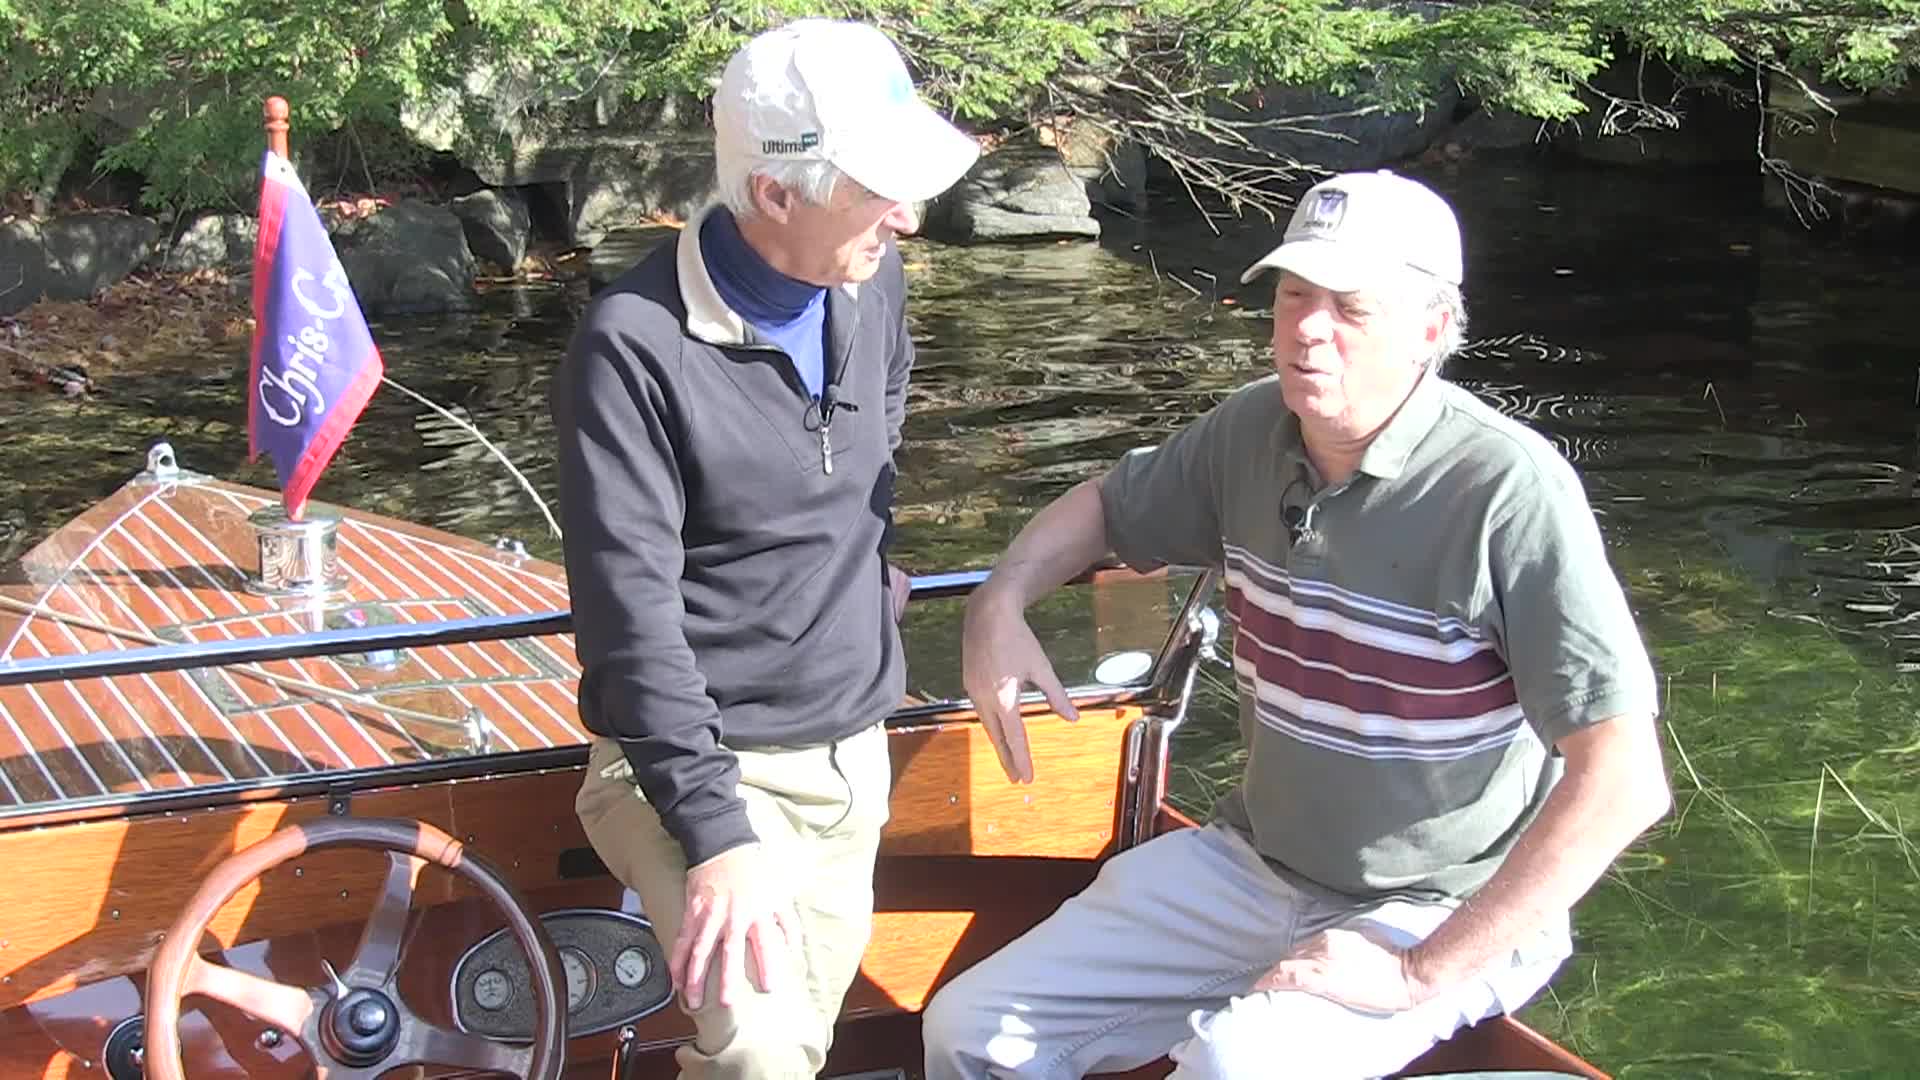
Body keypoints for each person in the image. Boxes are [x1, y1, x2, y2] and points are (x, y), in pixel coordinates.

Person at [921, 170, 1672, 1079]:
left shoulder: (1508, 491)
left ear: (1432, 330)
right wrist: (999, 603)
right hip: (1257, 861)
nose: (1309, 330)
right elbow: (1106, 508)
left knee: (1240, 1064)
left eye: (1350, 307)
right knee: (968, 1029)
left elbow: (1625, 783)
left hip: (1441, 903)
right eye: (1293, 297)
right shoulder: (1252, 431)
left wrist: (1413, 972)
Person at [550, 19, 979, 1079]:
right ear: (777, 195)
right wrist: (720, 835)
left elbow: (874, 446)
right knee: (763, 1051)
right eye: (879, 189)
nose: (908, 218)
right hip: (702, 770)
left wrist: (867, 607)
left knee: (809, 1040)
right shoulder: (630, 350)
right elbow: (628, 620)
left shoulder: (867, 280)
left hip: (850, 750)